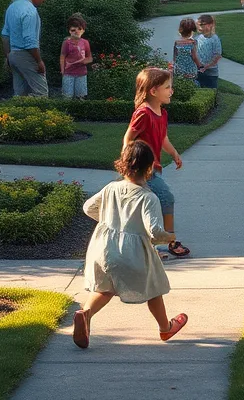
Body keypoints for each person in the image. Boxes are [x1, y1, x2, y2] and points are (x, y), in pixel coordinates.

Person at [72, 140, 187, 349]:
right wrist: (170, 237)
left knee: (105, 288)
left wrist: (109, 220)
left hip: (102, 247)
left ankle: (85, 314)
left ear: (122, 164)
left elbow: (88, 207)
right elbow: (153, 232)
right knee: (153, 287)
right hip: (131, 252)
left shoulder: (111, 188)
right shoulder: (148, 197)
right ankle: (165, 327)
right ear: (150, 168)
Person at [123, 67, 192, 258]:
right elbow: (128, 139)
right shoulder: (143, 113)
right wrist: (130, 166)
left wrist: (174, 153)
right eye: (167, 87)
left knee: (146, 208)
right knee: (166, 198)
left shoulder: (161, 112)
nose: (172, 91)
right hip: (142, 170)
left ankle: (149, 247)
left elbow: (162, 139)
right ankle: (169, 240)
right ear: (153, 91)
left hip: (155, 168)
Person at [1, 0, 50, 97]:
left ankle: (13, 113)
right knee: (41, 94)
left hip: (13, 54)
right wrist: (39, 61)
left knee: (20, 94)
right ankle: (35, 115)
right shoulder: (30, 11)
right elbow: (30, 42)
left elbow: (4, 35)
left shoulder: (13, 7)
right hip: (25, 55)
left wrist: (8, 56)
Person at [60, 13, 93, 100]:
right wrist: (63, 70)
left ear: (83, 30)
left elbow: (89, 58)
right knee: (67, 97)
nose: (77, 32)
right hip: (68, 73)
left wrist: (83, 61)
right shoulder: (67, 43)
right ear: (69, 30)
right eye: (73, 30)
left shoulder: (85, 42)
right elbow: (62, 56)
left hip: (81, 73)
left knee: (81, 97)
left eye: (79, 29)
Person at [195, 15, 222, 90]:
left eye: (201, 25)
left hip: (211, 72)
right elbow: (195, 53)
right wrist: (199, 65)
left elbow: (217, 55)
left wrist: (207, 66)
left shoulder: (215, 39)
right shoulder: (197, 38)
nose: (199, 27)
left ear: (210, 25)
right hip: (199, 70)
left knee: (211, 90)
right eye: (198, 25)